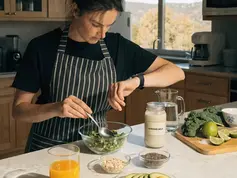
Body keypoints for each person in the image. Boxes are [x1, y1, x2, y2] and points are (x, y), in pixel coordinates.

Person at [12, 0, 185, 153]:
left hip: (97, 146)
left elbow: (176, 72)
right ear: (75, 10)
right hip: (48, 149)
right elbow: (19, 110)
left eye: (109, 25)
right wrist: (56, 108)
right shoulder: (42, 47)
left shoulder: (117, 46)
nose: (102, 34)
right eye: (95, 24)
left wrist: (137, 81)